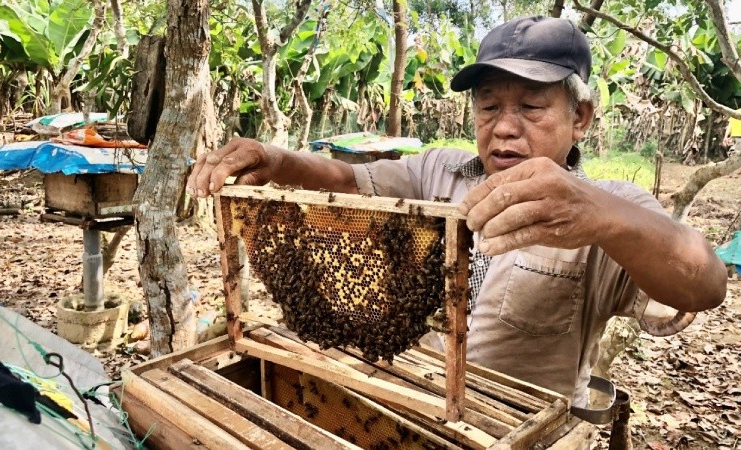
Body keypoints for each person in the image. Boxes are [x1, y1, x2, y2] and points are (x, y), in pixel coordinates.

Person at [186, 16, 726, 408]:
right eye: (489, 106)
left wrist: (606, 217)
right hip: (408, 399)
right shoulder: (439, 171)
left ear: (580, 116)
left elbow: (704, 286)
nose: (505, 126)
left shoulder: (608, 208)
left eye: (532, 107)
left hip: (517, 428)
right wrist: (277, 159)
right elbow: (346, 178)